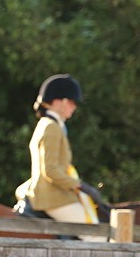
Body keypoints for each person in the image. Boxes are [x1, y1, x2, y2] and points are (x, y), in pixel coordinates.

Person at [15, 74, 98, 229]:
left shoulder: (50, 125)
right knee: (94, 233)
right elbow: (50, 170)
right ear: (60, 102)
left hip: (52, 193)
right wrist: (79, 186)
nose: (75, 107)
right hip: (52, 197)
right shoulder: (51, 127)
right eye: (72, 102)